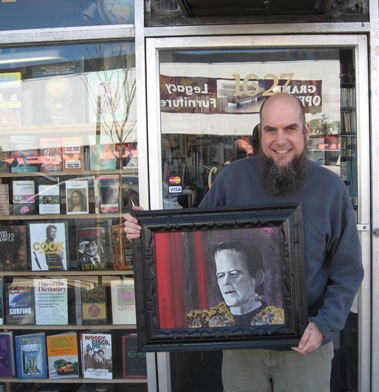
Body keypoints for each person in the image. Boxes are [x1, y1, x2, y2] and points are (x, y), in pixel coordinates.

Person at [124, 92, 364, 391]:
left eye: (290, 128)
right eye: (270, 130)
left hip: (307, 344)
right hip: (241, 346)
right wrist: (146, 232)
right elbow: (188, 236)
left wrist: (325, 324)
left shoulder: (331, 189)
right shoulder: (231, 180)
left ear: (306, 132)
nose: (280, 140)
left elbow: (348, 270)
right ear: (259, 133)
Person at [186, 240, 285, 327]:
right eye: (220, 275)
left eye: (234, 274)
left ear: (258, 278)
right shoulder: (204, 322)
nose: (225, 282)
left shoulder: (280, 320)